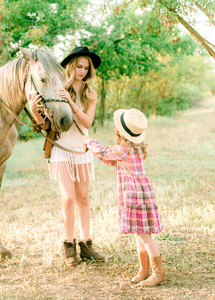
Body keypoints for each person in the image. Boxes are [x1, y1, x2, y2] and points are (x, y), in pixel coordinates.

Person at [28, 46, 106, 266]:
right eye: (79, 66)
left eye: (86, 68)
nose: (82, 71)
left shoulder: (91, 93)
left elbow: (87, 123)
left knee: (83, 198)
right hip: (61, 149)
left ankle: (87, 244)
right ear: (71, 66)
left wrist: (71, 103)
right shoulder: (57, 86)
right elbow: (45, 124)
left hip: (81, 149)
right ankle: (69, 246)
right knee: (68, 198)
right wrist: (35, 110)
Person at [81, 108, 167, 287]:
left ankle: (159, 274)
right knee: (139, 235)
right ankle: (144, 270)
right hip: (137, 194)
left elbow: (105, 153)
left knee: (145, 237)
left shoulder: (125, 148)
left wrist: (89, 142)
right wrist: (92, 149)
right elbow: (112, 160)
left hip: (135, 195)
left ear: (120, 131)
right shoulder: (133, 148)